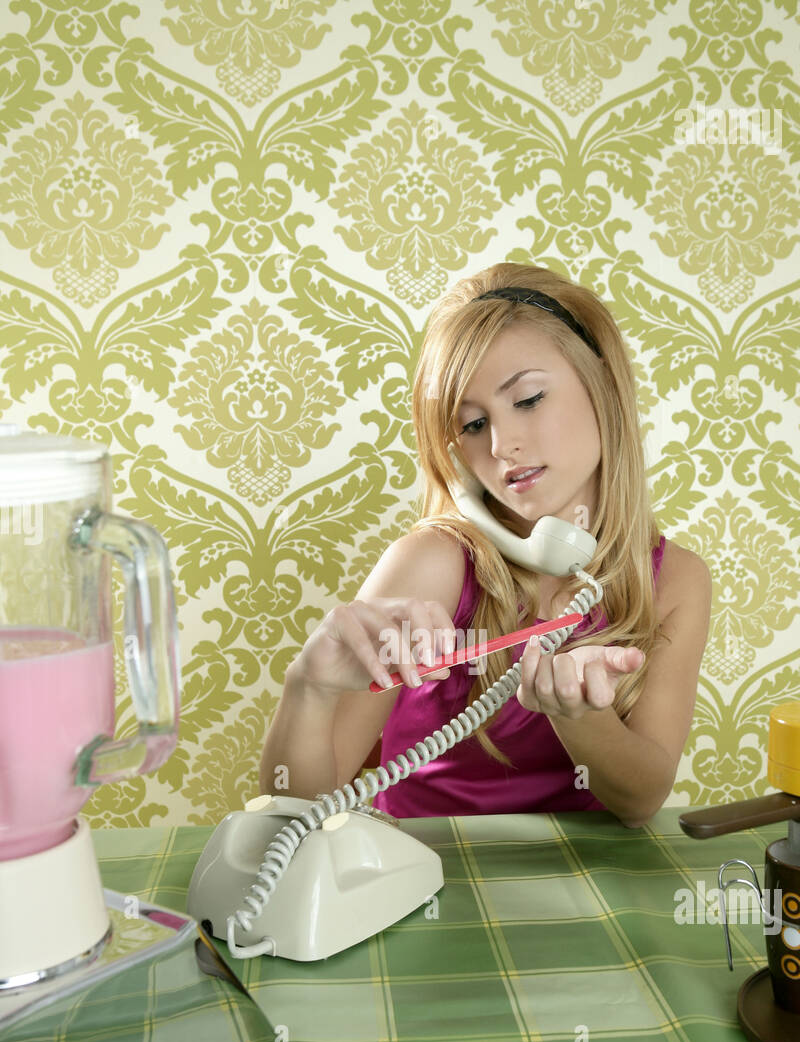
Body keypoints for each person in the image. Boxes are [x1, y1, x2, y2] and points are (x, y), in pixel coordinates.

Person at [260, 263, 712, 824]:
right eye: (472, 425)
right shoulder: (433, 564)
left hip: (594, 886)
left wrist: (578, 716)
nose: (501, 446)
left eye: (527, 400)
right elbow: (294, 815)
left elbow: (641, 800)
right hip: (424, 878)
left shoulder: (674, 579)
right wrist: (307, 689)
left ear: (602, 384)